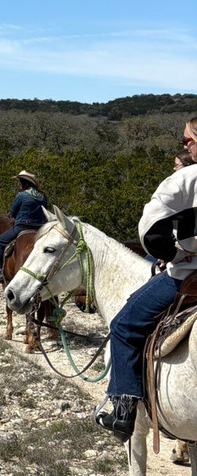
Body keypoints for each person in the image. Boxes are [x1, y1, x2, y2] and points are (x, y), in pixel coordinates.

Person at [95, 117, 197, 441]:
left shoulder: (185, 180)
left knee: (123, 326)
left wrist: (172, 254)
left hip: (186, 276)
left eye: (188, 139)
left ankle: (124, 411)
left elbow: (150, 230)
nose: (184, 145)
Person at [0, 170, 48, 283]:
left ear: (23, 182)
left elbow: (12, 213)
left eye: (19, 181)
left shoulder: (21, 195)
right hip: (40, 228)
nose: (18, 184)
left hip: (22, 226)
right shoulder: (42, 196)